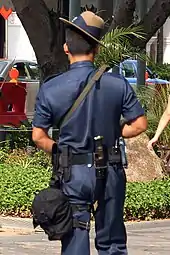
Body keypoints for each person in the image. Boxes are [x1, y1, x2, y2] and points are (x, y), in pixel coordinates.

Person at [32, 11, 147, 255]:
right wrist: (114, 130)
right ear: (96, 49)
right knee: (112, 242)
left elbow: (38, 136)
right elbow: (140, 124)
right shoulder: (117, 84)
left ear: (66, 48)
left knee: (75, 237)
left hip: (73, 173)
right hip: (111, 169)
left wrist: (60, 149)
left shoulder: (51, 89)